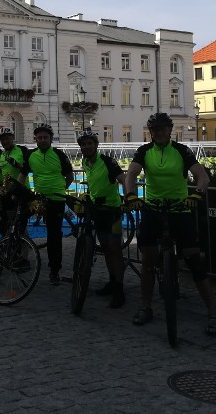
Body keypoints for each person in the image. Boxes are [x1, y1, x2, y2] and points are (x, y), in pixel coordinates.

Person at [124, 112, 216, 336]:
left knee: (195, 262)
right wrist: (130, 195)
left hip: (179, 208)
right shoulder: (144, 151)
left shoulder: (181, 150)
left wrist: (198, 193)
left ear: (170, 130)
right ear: (151, 132)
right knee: (147, 263)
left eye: (162, 129)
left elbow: (202, 176)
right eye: (154, 130)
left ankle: (213, 313)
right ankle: (146, 307)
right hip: (153, 209)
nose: (158, 133)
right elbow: (131, 175)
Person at [78, 129, 127, 309]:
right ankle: (113, 282)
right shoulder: (84, 163)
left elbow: (123, 178)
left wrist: (129, 197)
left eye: (89, 143)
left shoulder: (107, 161)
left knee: (115, 250)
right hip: (97, 211)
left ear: (96, 145)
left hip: (112, 211)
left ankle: (120, 290)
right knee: (106, 249)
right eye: (83, 144)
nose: (86, 146)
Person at [20, 123, 74, 285]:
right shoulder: (30, 155)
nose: (42, 140)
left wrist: (60, 189)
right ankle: (22, 253)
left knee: (54, 235)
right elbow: (22, 176)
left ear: (51, 139)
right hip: (38, 198)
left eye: (45, 137)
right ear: (35, 139)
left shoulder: (59, 154)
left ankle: (54, 270)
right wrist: (18, 190)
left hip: (56, 200)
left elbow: (69, 176)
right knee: (19, 220)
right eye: (39, 138)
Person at [0, 126, 31, 235]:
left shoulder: (22, 150)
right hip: (7, 194)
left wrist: (16, 164)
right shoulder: (1, 155)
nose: (5, 141)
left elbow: (27, 168)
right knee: (7, 223)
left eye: (7, 138)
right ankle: (10, 247)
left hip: (21, 193)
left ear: (12, 137)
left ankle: (23, 248)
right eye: (2, 139)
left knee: (20, 225)